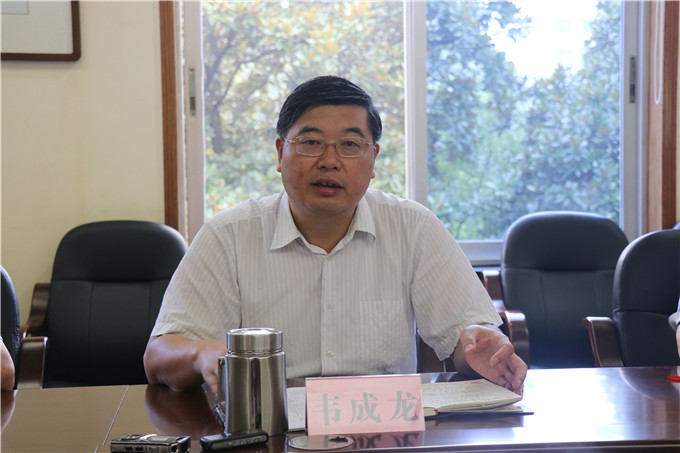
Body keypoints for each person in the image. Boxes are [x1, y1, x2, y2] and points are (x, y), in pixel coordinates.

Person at [144, 75, 527, 397]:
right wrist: (201, 354)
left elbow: (467, 338)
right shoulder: (228, 235)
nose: (330, 161)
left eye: (349, 145)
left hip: (383, 432)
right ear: (280, 153)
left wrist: (479, 346)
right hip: (268, 431)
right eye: (311, 143)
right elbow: (159, 355)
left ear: (373, 159)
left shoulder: (413, 227)